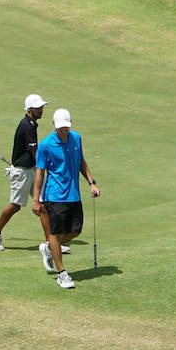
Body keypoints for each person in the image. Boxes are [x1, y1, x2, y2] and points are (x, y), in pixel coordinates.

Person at [31, 108, 100, 289]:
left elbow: (81, 162)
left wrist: (92, 182)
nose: (64, 130)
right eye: (61, 127)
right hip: (54, 196)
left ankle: (50, 248)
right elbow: (39, 173)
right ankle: (62, 273)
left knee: (76, 230)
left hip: (73, 195)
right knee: (55, 232)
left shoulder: (76, 138)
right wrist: (36, 199)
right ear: (54, 125)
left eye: (66, 127)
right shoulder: (45, 145)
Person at [0, 94, 51, 252]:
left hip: (31, 170)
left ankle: (52, 242)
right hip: (22, 173)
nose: (41, 110)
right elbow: (34, 151)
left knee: (42, 205)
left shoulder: (32, 124)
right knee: (15, 206)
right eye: (38, 108)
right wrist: (44, 167)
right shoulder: (26, 125)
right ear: (30, 109)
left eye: (41, 107)